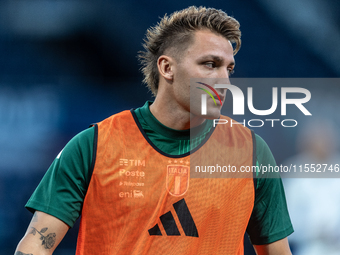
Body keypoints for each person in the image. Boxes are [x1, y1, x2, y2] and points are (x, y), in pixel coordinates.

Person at [15, 6, 293, 255]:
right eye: (210, 64)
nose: (224, 80)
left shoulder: (251, 152)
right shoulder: (94, 144)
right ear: (167, 67)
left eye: (229, 69)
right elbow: (37, 244)